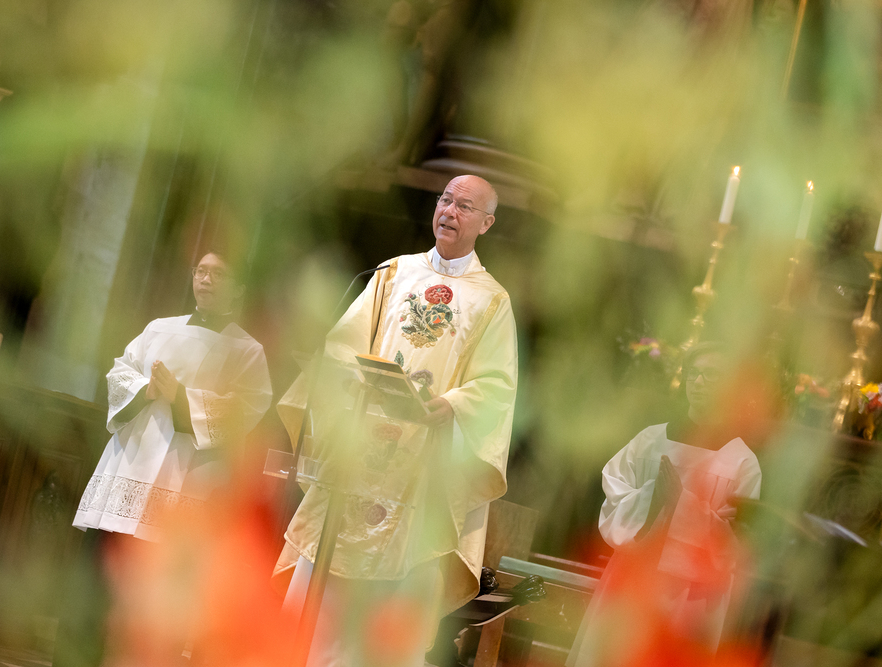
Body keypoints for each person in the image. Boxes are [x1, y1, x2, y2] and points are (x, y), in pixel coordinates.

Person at [276, 175, 518, 666]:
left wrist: (451, 406)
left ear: (486, 223)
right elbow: (342, 347)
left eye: (465, 206)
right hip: (358, 455)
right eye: (445, 199)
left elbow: (497, 388)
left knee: (391, 619)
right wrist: (350, 383)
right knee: (319, 608)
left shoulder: (492, 301)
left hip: (423, 470)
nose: (449, 211)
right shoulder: (392, 274)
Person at [55, 250, 272, 667]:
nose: (206, 280)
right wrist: (147, 390)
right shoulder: (158, 328)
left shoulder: (248, 350)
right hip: (128, 465)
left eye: (218, 274)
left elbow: (246, 410)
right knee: (99, 586)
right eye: (201, 271)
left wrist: (181, 398)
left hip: (184, 478)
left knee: (157, 606)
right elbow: (120, 373)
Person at [565, 343, 762, 667]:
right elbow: (614, 495)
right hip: (635, 580)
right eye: (694, 374)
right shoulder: (650, 440)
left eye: (711, 375)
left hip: (693, 595)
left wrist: (680, 501)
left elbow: (738, 543)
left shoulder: (742, 461)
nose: (699, 383)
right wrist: (651, 499)